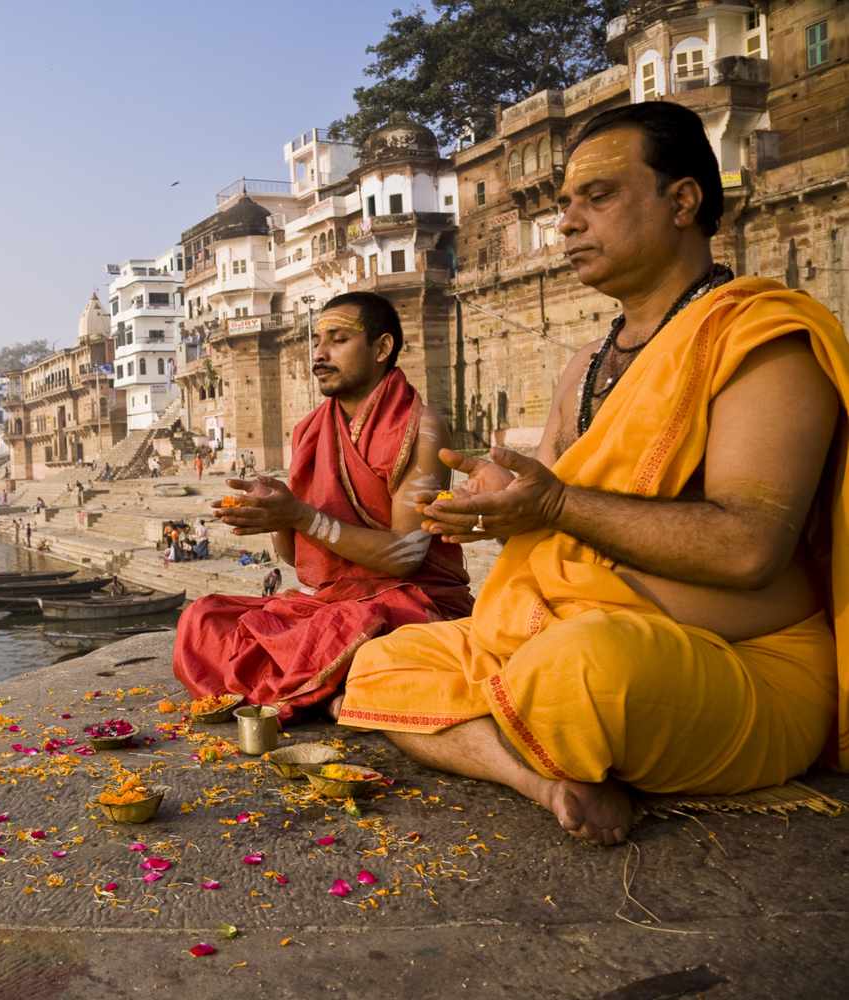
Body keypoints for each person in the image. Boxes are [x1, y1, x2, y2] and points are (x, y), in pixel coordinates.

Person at [338, 101, 849, 846]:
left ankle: (517, 732)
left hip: (739, 666)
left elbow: (749, 547)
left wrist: (553, 504)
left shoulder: (762, 340)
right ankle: (540, 779)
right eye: (565, 204)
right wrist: (488, 503)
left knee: (584, 672)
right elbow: (541, 498)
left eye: (599, 197)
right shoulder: (585, 364)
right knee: (380, 663)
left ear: (682, 202)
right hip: (567, 628)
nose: (567, 223)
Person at [173, 290, 472, 723]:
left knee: (347, 630)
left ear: (382, 348)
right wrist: (275, 513)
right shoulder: (310, 431)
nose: (319, 354)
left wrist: (299, 515)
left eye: (338, 339)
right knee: (203, 619)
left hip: (410, 600)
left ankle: (327, 691)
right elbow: (296, 559)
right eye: (317, 341)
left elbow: (406, 557)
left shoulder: (421, 429)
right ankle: (329, 692)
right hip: (333, 602)